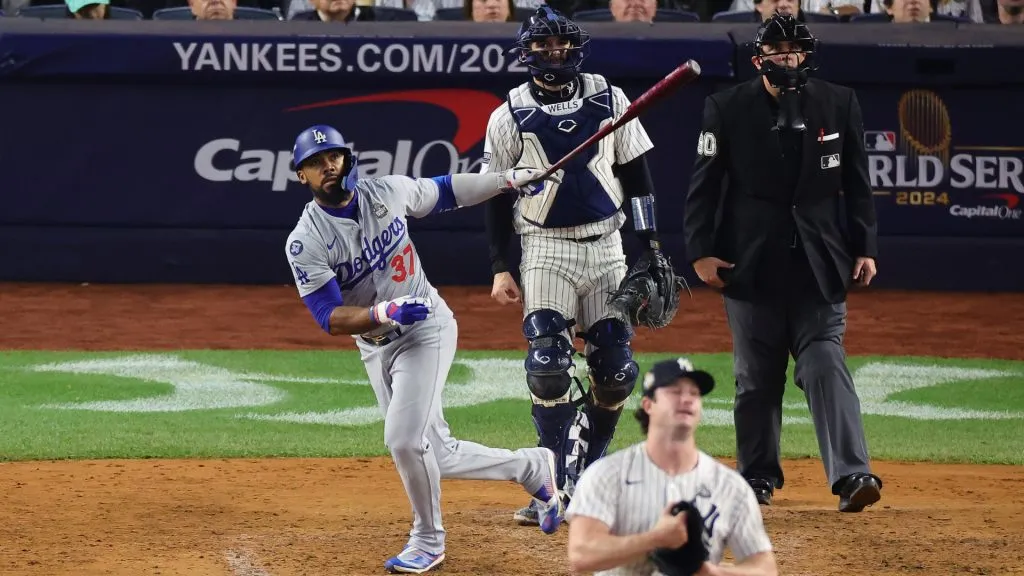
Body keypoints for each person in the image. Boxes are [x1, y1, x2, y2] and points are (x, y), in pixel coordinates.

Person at [283, 124, 565, 573]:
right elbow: (329, 317)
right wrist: (383, 312)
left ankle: (428, 540)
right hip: (377, 344)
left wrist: (508, 178)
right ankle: (532, 468)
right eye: (315, 163)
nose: (328, 166)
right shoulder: (306, 240)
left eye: (333, 156)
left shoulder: (387, 192)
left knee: (402, 439)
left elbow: (448, 189)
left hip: (427, 328)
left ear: (346, 157)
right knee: (436, 450)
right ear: (302, 176)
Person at [683, 12, 883, 513]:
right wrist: (700, 251)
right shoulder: (726, 108)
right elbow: (704, 186)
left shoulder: (839, 102)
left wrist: (865, 246)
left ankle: (853, 474)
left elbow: (858, 183)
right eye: (779, 52)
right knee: (757, 378)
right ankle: (757, 478)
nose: (789, 59)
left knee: (824, 362)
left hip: (820, 262)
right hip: (748, 263)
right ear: (760, 59)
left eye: (796, 50)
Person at [480, 5, 669, 527]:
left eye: (560, 44)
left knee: (614, 372)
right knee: (547, 367)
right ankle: (554, 479)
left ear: (574, 47)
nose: (553, 54)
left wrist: (651, 245)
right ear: (527, 52)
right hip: (544, 247)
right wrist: (502, 266)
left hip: (607, 247)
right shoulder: (508, 115)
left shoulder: (611, 98)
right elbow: (498, 196)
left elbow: (638, 178)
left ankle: (590, 469)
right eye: (542, 46)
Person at [565, 358, 779, 576]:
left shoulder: (730, 486)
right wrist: (654, 539)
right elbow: (582, 555)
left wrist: (711, 573)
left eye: (694, 394)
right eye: (675, 392)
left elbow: (765, 569)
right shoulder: (607, 475)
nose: (686, 399)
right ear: (648, 405)